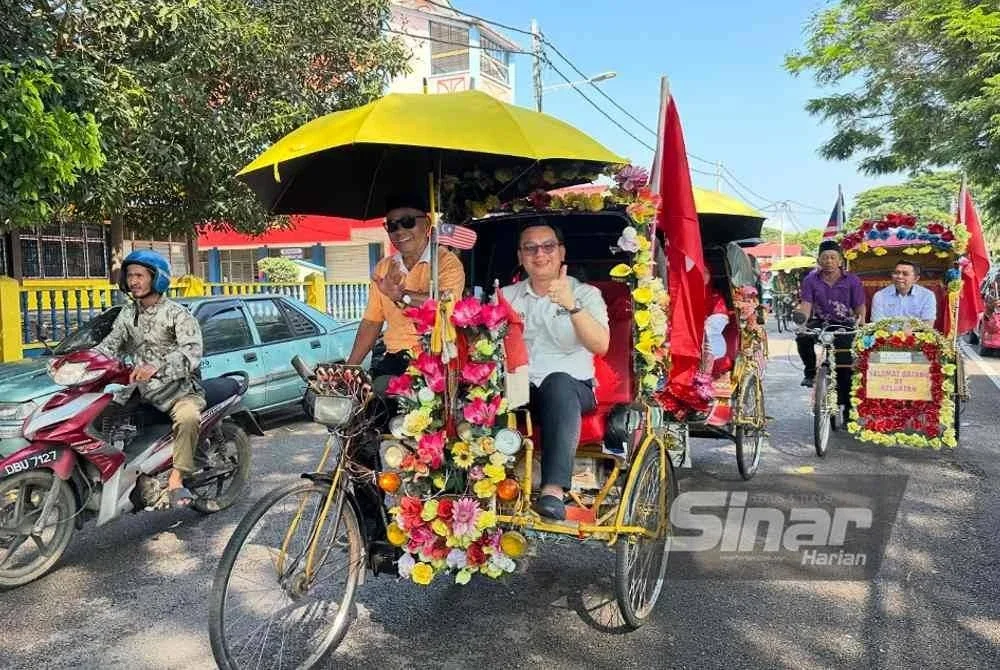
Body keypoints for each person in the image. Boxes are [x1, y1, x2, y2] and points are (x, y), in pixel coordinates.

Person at [501, 221, 609, 521]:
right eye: (530, 248)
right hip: (520, 388)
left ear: (561, 252)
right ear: (521, 257)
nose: (540, 254)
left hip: (572, 389)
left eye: (548, 246)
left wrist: (571, 306)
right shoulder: (507, 296)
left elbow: (601, 345)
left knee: (557, 383)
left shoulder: (586, 294)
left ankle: (553, 491)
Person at [96, 250, 204, 508]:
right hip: (138, 389)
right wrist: (86, 360)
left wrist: (158, 366)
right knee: (97, 415)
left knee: (188, 418)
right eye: (130, 275)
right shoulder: (127, 313)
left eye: (139, 275)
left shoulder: (177, 314)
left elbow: (192, 351)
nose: (133, 281)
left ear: (157, 278)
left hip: (178, 390)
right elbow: (109, 345)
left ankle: (177, 479)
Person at [345, 194, 466, 382]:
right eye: (392, 226)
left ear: (427, 225)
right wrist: (349, 369)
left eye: (408, 222)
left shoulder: (447, 263)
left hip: (438, 357)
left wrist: (401, 295)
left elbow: (444, 303)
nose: (399, 231)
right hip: (396, 359)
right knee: (374, 401)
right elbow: (371, 322)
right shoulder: (383, 268)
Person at [794, 240, 865, 420]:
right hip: (820, 321)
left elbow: (859, 306)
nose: (829, 261)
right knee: (802, 337)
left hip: (845, 324)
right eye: (825, 258)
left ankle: (848, 408)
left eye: (833, 258)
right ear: (819, 260)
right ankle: (810, 372)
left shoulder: (852, 280)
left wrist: (860, 321)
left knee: (845, 367)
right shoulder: (810, 279)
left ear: (840, 261)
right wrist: (802, 323)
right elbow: (806, 305)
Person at [870, 260, 937, 327]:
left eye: (905, 274)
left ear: (916, 278)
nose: (899, 276)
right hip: (887, 336)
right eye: (896, 273)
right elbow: (877, 324)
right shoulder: (880, 296)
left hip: (917, 336)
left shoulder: (927, 296)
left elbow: (928, 325)